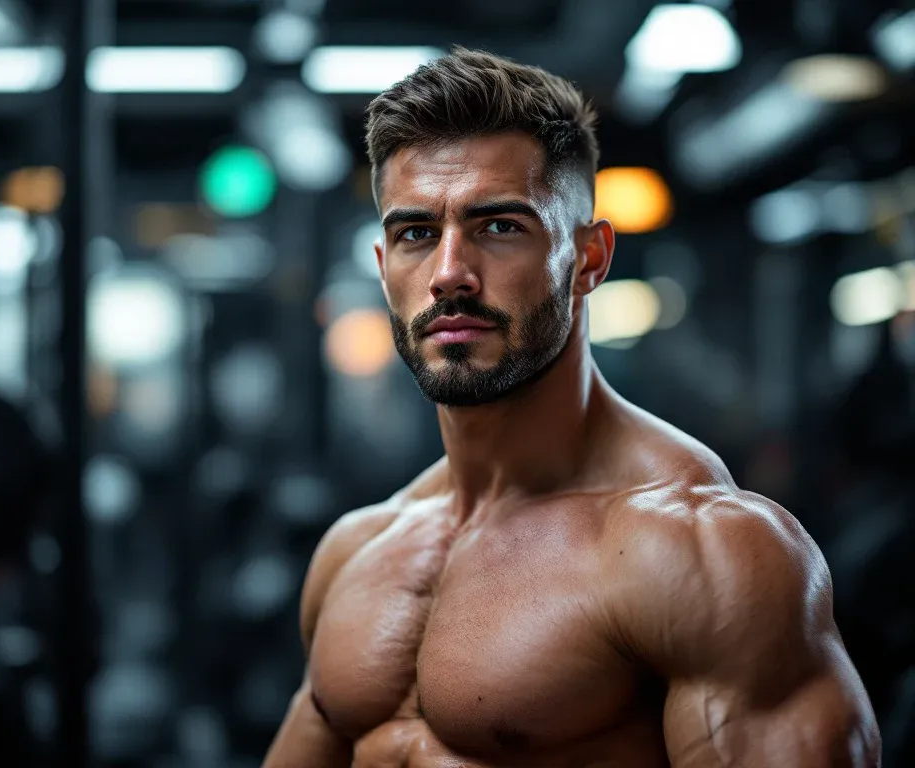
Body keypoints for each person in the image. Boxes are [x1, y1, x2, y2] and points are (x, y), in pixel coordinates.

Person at [262, 48, 881, 767]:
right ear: (383, 267)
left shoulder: (703, 553)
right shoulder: (355, 551)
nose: (449, 274)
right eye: (417, 234)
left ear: (589, 259)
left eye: (499, 227)